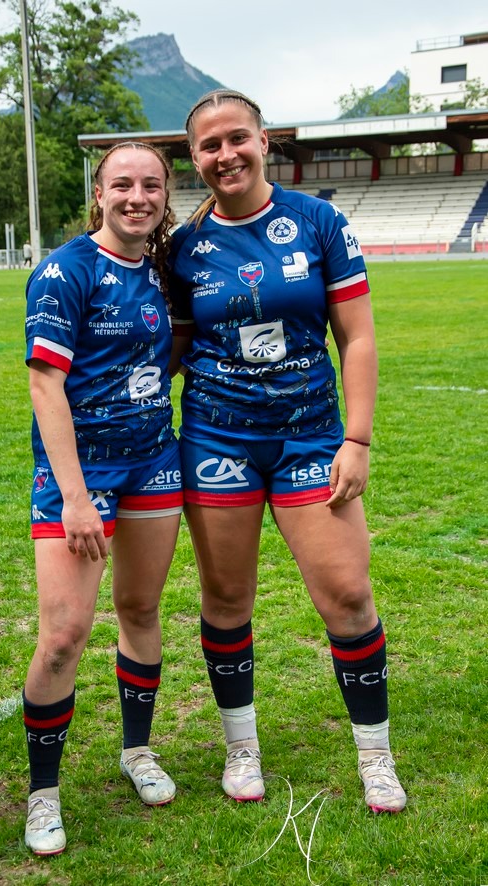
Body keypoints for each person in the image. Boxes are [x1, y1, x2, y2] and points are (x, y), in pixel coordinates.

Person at [169, 89, 406, 814]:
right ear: (195, 159)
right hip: (216, 438)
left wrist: (356, 439)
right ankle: (241, 748)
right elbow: (171, 348)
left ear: (264, 141)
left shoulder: (317, 221)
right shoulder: (182, 247)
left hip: (309, 437)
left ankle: (375, 755)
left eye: (236, 138)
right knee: (227, 597)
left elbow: (356, 337)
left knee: (346, 595)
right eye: (208, 146)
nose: (224, 155)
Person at [22, 142, 183, 856]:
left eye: (150, 185)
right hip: (79, 478)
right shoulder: (63, 272)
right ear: (99, 193)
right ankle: (42, 796)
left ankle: (136, 751)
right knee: (62, 637)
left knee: (141, 609)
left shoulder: (162, 270)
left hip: (153, 464)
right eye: (122, 184)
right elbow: (44, 385)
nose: (136, 197)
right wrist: (75, 497)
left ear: (163, 195)